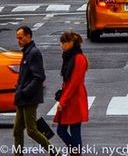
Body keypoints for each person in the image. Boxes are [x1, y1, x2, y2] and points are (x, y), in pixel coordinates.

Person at [13, 25, 56, 154]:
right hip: (23, 97)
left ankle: (54, 152)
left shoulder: (33, 53)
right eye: (17, 38)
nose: (18, 41)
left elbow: (39, 77)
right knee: (17, 129)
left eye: (21, 38)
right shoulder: (27, 52)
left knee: (31, 131)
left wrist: (25, 91)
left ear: (28, 36)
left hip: (29, 98)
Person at [54, 31, 89, 153]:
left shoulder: (79, 58)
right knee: (64, 130)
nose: (61, 45)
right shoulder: (69, 56)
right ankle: (75, 152)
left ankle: (76, 153)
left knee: (72, 131)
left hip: (75, 99)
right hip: (69, 97)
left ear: (71, 43)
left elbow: (75, 83)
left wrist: (62, 102)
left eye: (63, 42)